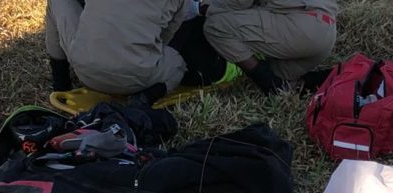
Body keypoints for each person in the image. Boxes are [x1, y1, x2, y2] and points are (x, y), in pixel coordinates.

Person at [45, 0, 199, 105]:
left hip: (85, 70)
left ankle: (61, 82)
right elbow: (168, 33)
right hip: (139, 78)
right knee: (177, 64)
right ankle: (146, 97)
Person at [201, 0, 337, 94]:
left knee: (216, 27)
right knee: (282, 79)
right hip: (327, 32)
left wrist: (202, 8)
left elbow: (238, 3)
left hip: (302, 27)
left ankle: (268, 84)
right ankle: (331, 80)